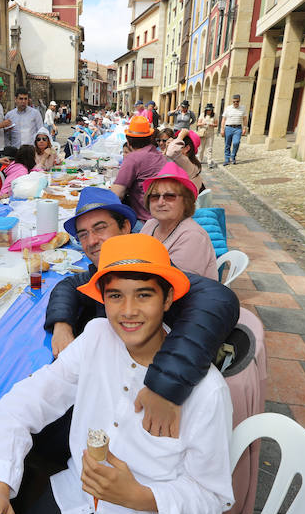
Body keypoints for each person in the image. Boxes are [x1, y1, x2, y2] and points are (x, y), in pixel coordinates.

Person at [0, 233, 234, 514]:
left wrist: (138, 496)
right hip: (83, 490)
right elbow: (22, 404)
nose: (128, 311)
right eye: (115, 296)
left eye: (143, 295)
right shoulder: (96, 337)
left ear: (168, 300)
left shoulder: (208, 391)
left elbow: (211, 498)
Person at [45, 186, 239, 437]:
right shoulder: (104, 269)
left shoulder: (151, 269)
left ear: (126, 227)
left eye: (100, 228)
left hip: (138, 407)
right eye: (83, 234)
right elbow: (69, 284)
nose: (92, 241)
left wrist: (164, 386)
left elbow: (218, 298)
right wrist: (62, 323)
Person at [141, 162, 217, 279]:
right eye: (155, 196)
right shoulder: (150, 224)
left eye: (170, 196)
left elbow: (178, 282)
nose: (161, 202)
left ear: (185, 201)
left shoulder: (193, 236)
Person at [111, 115, 166, 225]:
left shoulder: (133, 158)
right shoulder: (158, 154)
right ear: (150, 138)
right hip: (162, 216)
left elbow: (116, 194)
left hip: (145, 221)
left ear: (128, 140)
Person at [220, 94, 247, 166]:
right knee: (227, 144)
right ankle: (227, 159)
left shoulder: (243, 108)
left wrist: (245, 128)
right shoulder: (228, 108)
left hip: (238, 128)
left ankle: (233, 156)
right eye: (234, 101)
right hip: (228, 127)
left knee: (236, 143)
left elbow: (244, 119)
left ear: (239, 101)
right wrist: (222, 129)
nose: (236, 103)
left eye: (237, 101)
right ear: (232, 101)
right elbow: (223, 119)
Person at [197, 103, 218, 169]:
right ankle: (199, 160)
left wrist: (212, 124)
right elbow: (198, 123)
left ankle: (209, 161)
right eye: (208, 110)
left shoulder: (214, 115)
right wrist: (203, 123)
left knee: (209, 148)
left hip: (210, 133)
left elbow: (216, 124)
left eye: (210, 110)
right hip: (203, 133)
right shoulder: (202, 115)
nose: (209, 111)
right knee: (201, 148)